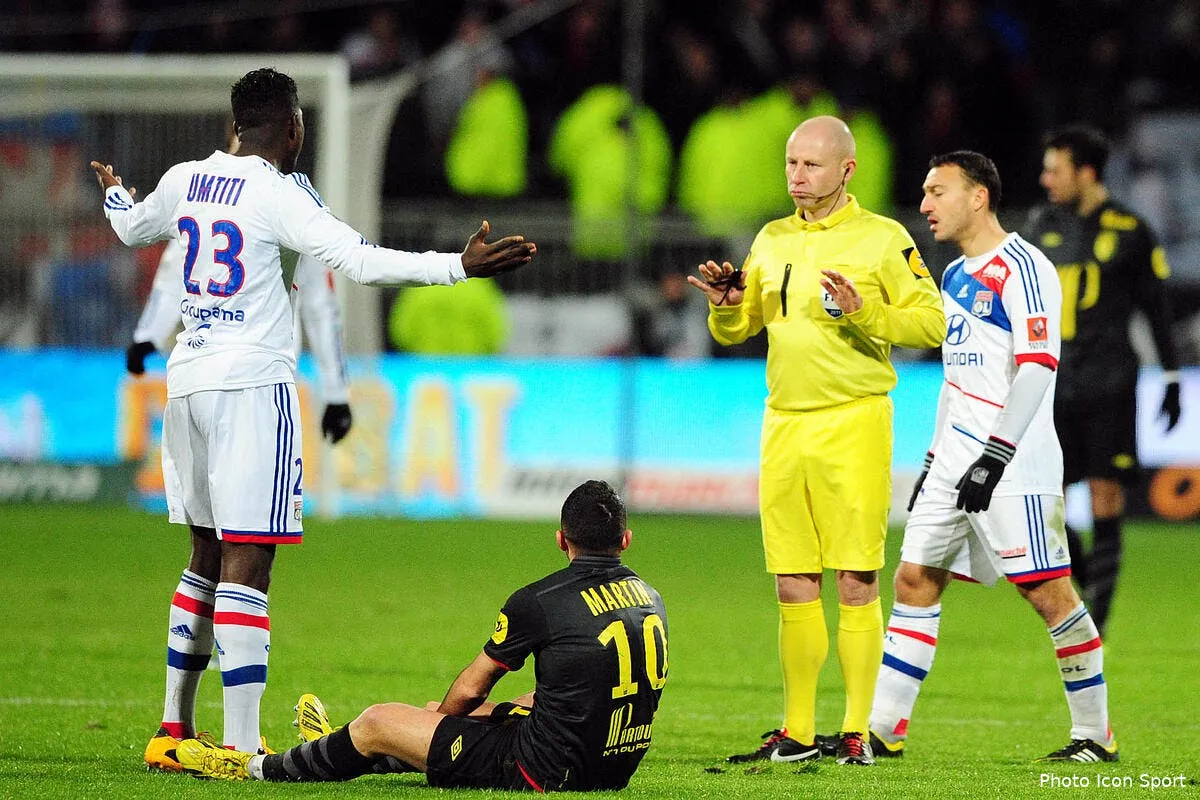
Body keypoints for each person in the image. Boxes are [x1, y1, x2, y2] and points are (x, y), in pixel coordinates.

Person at [90, 67, 536, 768]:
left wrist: (116, 190)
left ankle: (172, 732)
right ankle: (239, 746)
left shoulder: (184, 178)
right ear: (292, 127)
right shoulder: (276, 194)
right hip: (252, 384)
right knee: (249, 560)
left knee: (203, 554)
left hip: (188, 381)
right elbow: (356, 260)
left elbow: (129, 227)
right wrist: (458, 265)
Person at [687, 116, 944, 766]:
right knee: (792, 581)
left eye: (811, 164)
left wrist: (864, 310)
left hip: (853, 421)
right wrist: (725, 303)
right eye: (791, 163)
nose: (797, 174)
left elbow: (934, 322)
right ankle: (798, 730)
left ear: (846, 170)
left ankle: (857, 729)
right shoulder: (770, 239)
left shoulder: (883, 239)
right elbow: (738, 328)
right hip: (784, 424)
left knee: (856, 578)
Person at [175, 480, 669, 792]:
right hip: (613, 767)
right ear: (626, 540)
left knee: (381, 721)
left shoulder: (539, 601)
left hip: (543, 772)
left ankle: (258, 768)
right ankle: (346, 749)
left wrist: (437, 721)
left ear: (562, 540)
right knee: (518, 702)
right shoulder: (650, 595)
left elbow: (472, 686)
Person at [866, 151, 1117, 764]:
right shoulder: (952, 275)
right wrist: (935, 457)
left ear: (978, 197)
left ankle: (1095, 735)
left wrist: (995, 454)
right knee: (915, 579)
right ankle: (881, 730)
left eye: (937, 192)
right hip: (954, 458)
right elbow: (956, 380)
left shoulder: (1025, 267)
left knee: (1048, 591)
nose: (924, 204)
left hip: (1016, 460)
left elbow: (1038, 366)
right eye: (923, 192)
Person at [1023, 125, 1183, 635]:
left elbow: (1156, 309)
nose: (1046, 178)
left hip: (1111, 382)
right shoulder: (1039, 226)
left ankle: (1101, 621)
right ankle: (1086, 580)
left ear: (1085, 172)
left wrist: (1174, 377)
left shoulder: (1131, 230)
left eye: (1055, 169)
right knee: (1048, 495)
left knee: (1105, 494)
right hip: (1052, 383)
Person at [126, 129, 354, 445]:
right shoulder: (202, 195)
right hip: (204, 373)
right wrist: (148, 335)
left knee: (259, 489)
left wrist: (336, 391)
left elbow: (320, 303)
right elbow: (174, 272)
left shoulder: (294, 204)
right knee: (214, 490)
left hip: (265, 378)